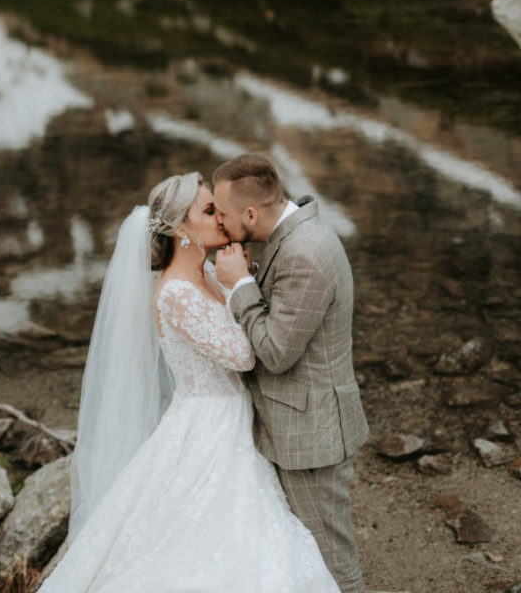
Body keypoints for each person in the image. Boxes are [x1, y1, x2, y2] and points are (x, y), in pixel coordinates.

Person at [37, 172, 340, 592]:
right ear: (181, 228)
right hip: (208, 424)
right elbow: (243, 355)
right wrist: (244, 285)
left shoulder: (211, 273)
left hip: (233, 418)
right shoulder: (176, 293)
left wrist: (236, 281)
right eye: (209, 210)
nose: (222, 218)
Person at [213, 154, 369, 593]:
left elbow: (278, 352)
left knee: (331, 562)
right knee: (304, 553)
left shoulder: (306, 253)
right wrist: (252, 277)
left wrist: (241, 286)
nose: (220, 224)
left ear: (250, 213)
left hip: (312, 434)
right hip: (303, 424)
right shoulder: (292, 237)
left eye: (223, 214)